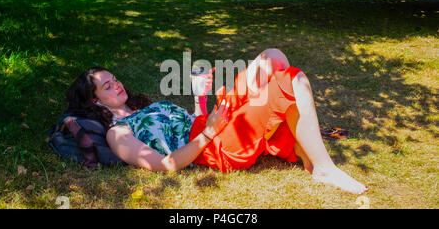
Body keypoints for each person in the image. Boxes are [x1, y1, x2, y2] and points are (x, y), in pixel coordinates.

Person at [64, 48, 367, 194]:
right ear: (95, 101)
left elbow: (191, 123)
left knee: (272, 58)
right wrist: (209, 133)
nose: (117, 85)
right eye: (107, 86)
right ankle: (324, 168)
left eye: (115, 79)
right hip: (215, 146)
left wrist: (200, 101)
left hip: (213, 124)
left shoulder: (145, 108)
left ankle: (306, 152)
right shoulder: (119, 133)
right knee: (290, 80)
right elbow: (166, 164)